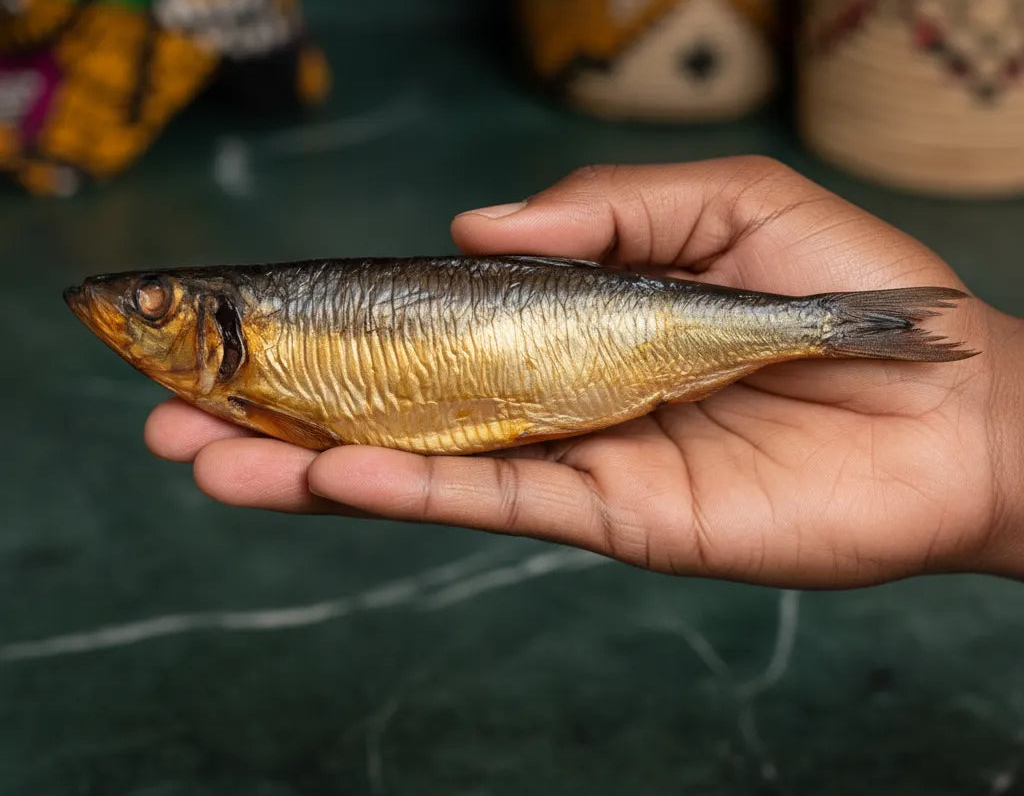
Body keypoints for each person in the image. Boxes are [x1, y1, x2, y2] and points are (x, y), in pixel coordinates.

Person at [143, 157, 1024, 589]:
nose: (132, 317)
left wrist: (989, 421)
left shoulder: (246, 362)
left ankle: (828, 324)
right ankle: (841, 328)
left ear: (214, 324)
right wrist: (985, 433)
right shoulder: (243, 374)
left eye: (153, 306)